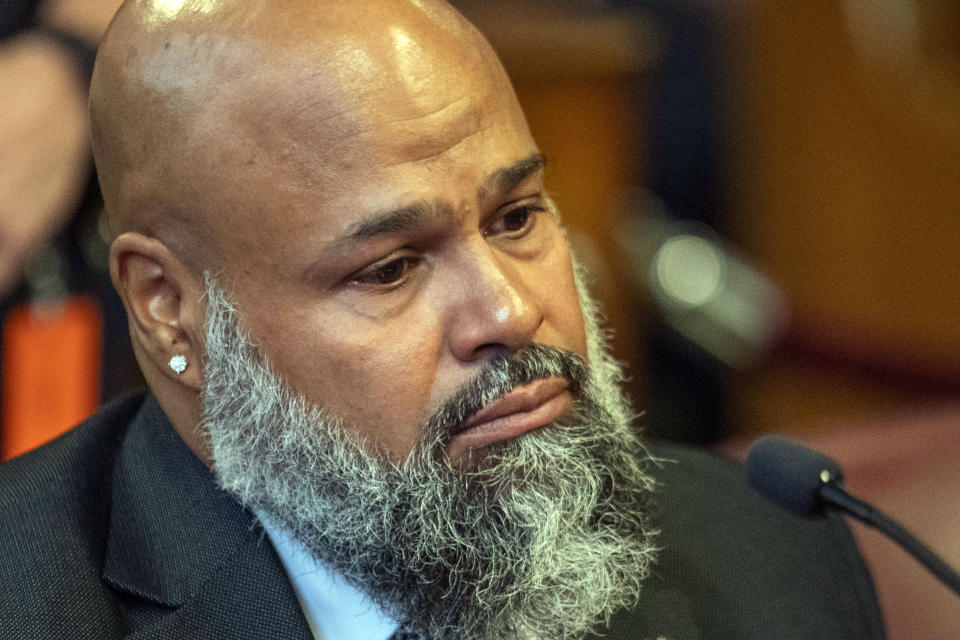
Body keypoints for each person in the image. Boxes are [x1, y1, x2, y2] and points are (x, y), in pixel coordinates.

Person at [0, 1, 886, 638]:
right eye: (389, 269)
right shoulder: (32, 597)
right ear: (168, 307)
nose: (508, 308)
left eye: (518, 218)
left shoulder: (769, 553)